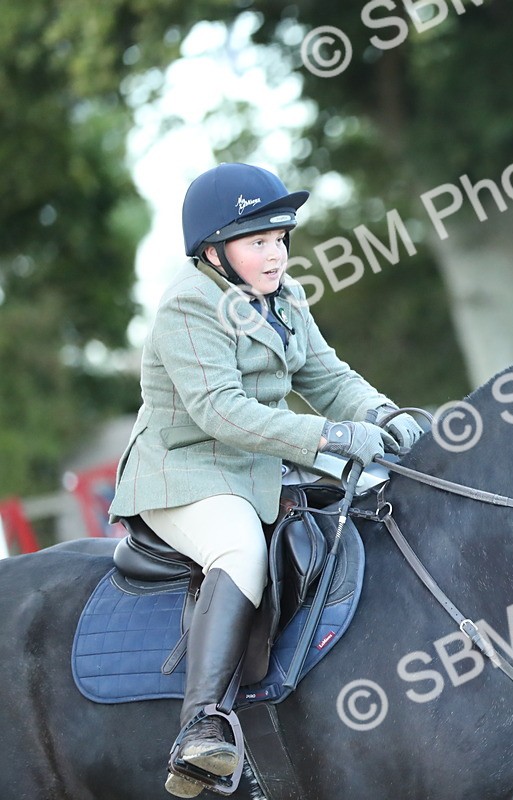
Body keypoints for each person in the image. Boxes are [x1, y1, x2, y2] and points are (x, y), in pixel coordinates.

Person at [108, 162, 423, 798]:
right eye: (258, 242)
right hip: (183, 471)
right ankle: (202, 725)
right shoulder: (188, 306)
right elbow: (220, 411)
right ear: (214, 252)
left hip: (254, 465)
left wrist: (382, 414)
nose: (276, 254)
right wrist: (330, 437)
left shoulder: (283, 296)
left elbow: (327, 377)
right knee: (240, 548)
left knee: (364, 505)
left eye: (280, 239)